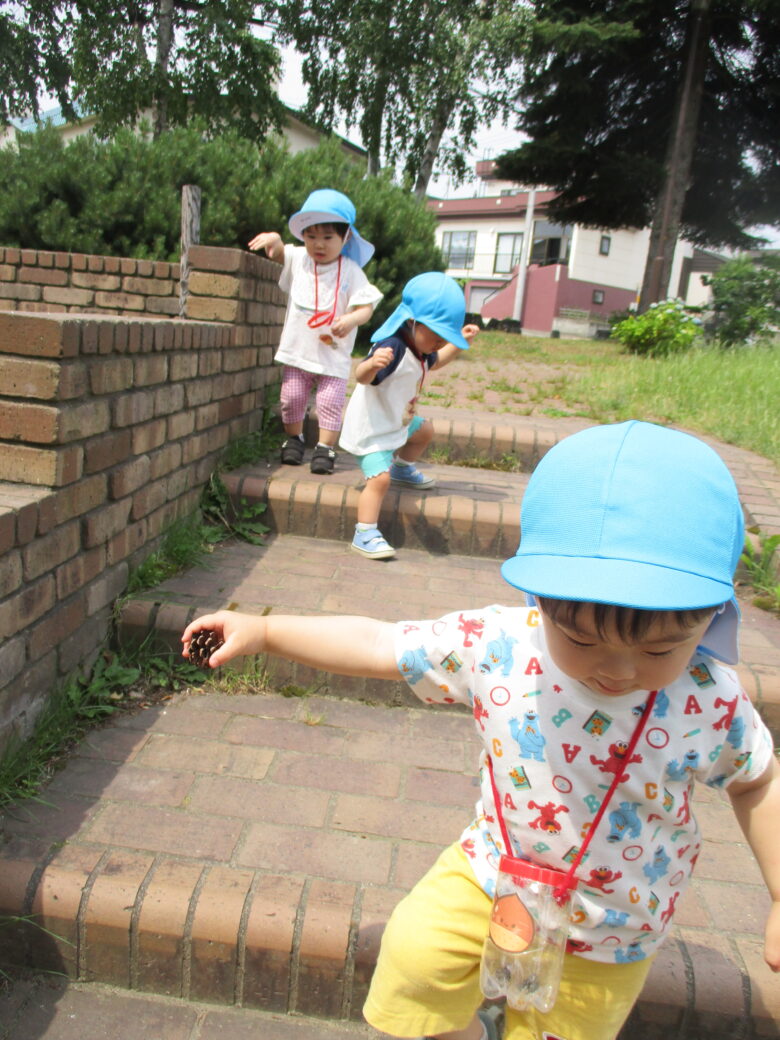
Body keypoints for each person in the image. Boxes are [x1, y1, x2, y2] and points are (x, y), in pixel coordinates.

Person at [182, 420, 780, 1040]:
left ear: (712, 615)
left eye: (660, 651)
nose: (618, 671)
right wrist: (269, 630)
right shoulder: (499, 645)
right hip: (492, 872)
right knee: (413, 960)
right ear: (538, 599)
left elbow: (758, 782)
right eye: (580, 639)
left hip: (614, 923)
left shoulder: (710, 700)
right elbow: (381, 642)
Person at [339, 271, 479, 559]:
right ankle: (364, 533)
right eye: (437, 336)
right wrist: (372, 365)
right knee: (379, 481)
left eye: (445, 338)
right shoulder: (394, 347)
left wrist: (459, 342)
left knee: (424, 431)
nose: (439, 343)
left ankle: (402, 468)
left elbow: (437, 361)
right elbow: (361, 377)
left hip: (397, 421)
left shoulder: (421, 346)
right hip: (372, 429)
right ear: (413, 322)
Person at [248, 188, 383, 474]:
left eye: (327, 237)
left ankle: (325, 448)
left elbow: (367, 307)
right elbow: (281, 253)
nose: (318, 245)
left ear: (345, 237)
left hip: (332, 355)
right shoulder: (300, 260)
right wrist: (274, 241)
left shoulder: (351, 271)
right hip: (299, 351)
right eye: (311, 236)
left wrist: (351, 319)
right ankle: (294, 440)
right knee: (291, 397)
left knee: (330, 401)